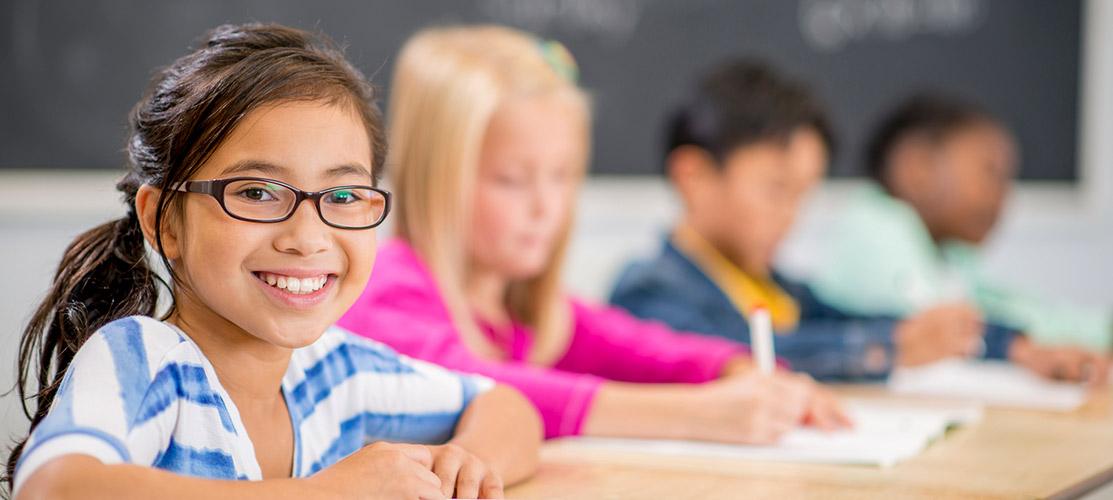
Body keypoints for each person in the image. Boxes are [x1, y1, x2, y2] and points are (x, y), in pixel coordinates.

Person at [6, 23, 540, 500]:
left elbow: (505, 407)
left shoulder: (337, 373)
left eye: (344, 196)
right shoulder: (146, 363)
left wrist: (465, 463)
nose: (308, 238)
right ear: (164, 220)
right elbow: (53, 487)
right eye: (257, 193)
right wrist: (325, 493)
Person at [339, 25, 850, 445]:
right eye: (512, 180)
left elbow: (643, 347)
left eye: (562, 177)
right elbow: (483, 390)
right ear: (438, 176)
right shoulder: (389, 290)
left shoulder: (527, 310)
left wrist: (735, 369)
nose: (547, 207)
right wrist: (699, 414)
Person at [809, 92, 1110, 382]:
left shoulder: (948, 254)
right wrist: (1030, 347)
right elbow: (946, 327)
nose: (1004, 196)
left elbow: (1011, 309)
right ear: (918, 168)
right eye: (990, 172)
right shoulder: (875, 225)